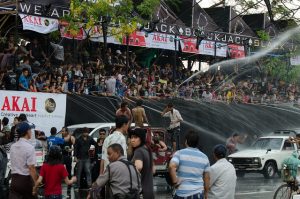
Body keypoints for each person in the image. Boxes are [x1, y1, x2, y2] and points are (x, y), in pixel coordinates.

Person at [169, 130, 210, 199]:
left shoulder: (179, 153)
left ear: (186, 141)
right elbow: (207, 178)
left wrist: (175, 181)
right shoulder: (205, 157)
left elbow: (171, 167)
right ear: (197, 143)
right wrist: (206, 194)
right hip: (198, 194)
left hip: (182, 194)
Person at [9, 122, 38, 199]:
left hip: (14, 180)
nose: (31, 132)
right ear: (27, 132)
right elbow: (31, 168)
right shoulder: (29, 147)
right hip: (25, 181)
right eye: (30, 130)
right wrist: (36, 184)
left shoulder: (13, 146)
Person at [130, 128, 154, 199]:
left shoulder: (138, 151)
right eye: (131, 137)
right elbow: (153, 170)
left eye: (135, 137)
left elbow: (139, 167)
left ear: (141, 138)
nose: (132, 140)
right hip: (149, 190)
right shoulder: (147, 149)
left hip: (141, 192)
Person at [61, 127, 75, 194]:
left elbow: (76, 146)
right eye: (62, 131)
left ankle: (69, 183)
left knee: (69, 170)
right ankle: (59, 181)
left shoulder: (71, 138)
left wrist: (71, 150)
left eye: (63, 131)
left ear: (67, 132)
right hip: (62, 156)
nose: (62, 132)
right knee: (60, 169)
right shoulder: (61, 138)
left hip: (68, 156)